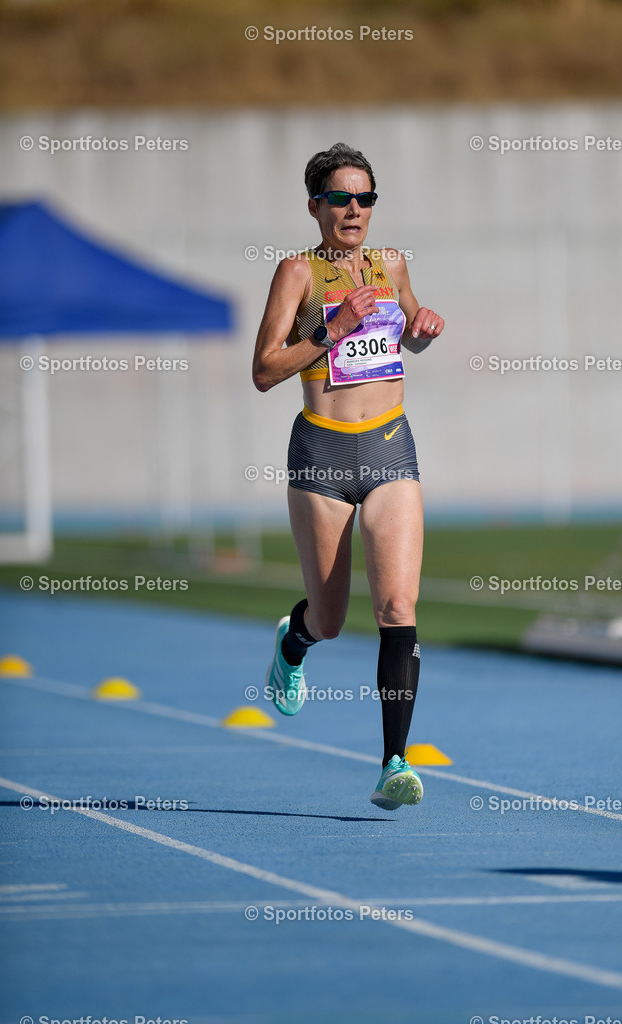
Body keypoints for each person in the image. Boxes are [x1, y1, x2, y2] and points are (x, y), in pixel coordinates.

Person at [252, 142, 444, 810]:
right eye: (340, 198)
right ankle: (293, 641)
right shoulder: (295, 272)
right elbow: (265, 370)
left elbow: (407, 333)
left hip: (390, 446)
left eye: (364, 198)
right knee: (330, 619)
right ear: (315, 206)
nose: (354, 209)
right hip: (321, 454)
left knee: (397, 607)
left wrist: (421, 327)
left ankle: (394, 760)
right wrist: (332, 330)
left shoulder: (390, 263)